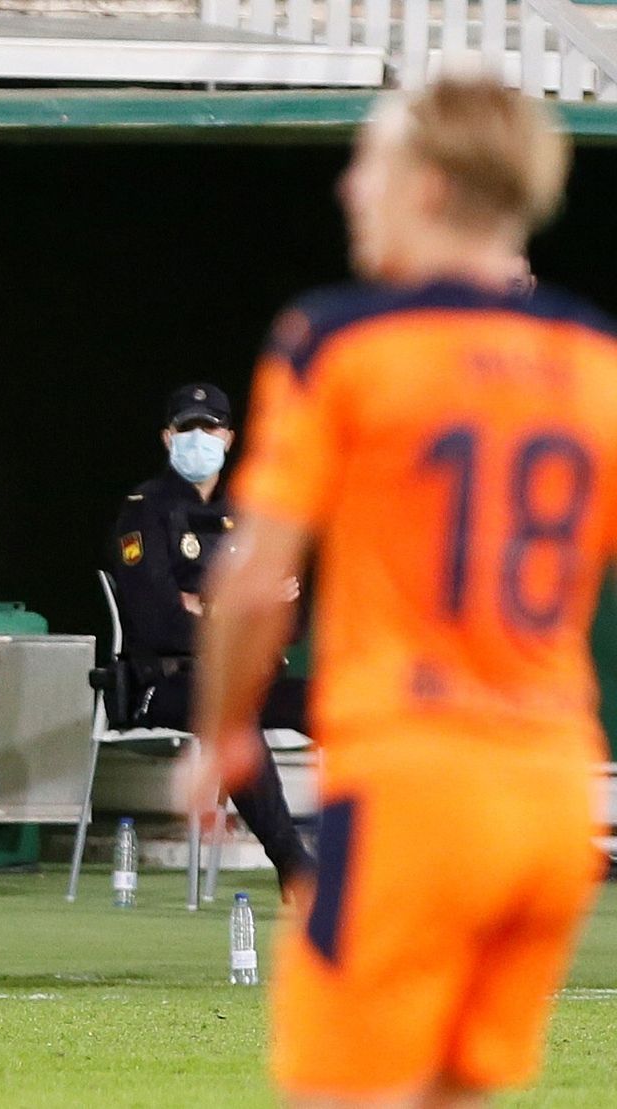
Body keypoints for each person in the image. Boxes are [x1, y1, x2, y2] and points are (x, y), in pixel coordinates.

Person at [188, 76, 611, 1108]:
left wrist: (221, 733)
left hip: (416, 782)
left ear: (425, 186)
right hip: (557, 792)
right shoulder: (594, 356)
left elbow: (251, 582)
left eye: (368, 161)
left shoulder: (343, 339)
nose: (348, 186)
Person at [108, 382, 313, 890]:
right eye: (187, 428)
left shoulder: (247, 512)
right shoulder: (143, 510)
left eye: (210, 427)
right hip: (166, 684)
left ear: (228, 437)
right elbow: (157, 622)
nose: (199, 438)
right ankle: (295, 866)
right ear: (167, 437)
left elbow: (292, 618)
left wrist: (207, 605)